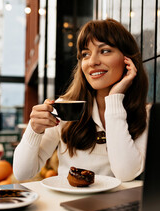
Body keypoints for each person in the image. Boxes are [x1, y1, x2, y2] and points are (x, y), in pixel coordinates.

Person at [13, 19, 150, 182]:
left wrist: (114, 99)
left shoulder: (145, 113)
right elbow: (22, 172)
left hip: (115, 205)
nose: (92, 62)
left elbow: (126, 173)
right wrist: (34, 129)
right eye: (85, 54)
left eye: (105, 51)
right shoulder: (66, 107)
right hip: (67, 205)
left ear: (128, 60)